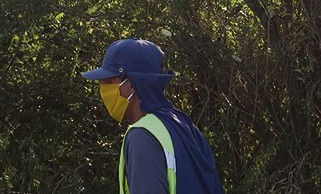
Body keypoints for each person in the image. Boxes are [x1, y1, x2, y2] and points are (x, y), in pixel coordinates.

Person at [83, 39, 224, 194]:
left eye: (109, 82)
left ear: (132, 84)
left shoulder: (142, 136)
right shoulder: (182, 123)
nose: (103, 89)